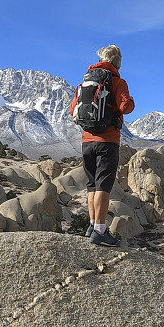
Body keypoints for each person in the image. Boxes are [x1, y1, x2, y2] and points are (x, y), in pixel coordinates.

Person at [69, 45, 134, 247]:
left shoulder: (87, 81)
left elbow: (73, 109)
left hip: (87, 141)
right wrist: (130, 101)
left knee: (91, 186)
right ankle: (100, 230)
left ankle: (91, 225)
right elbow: (125, 107)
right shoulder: (116, 81)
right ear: (118, 61)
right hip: (107, 142)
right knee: (103, 187)